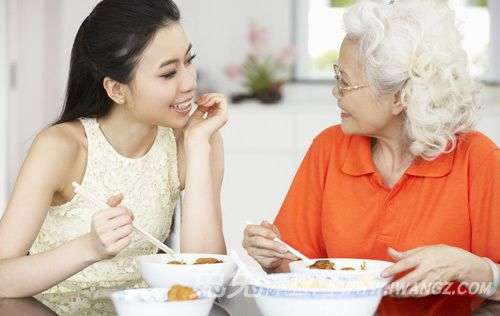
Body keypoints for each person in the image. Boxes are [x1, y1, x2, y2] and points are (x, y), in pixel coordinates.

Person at [243, 0, 499, 314]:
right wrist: (271, 259)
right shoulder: (329, 148)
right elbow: (296, 268)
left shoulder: (477, 159)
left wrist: (475, 269)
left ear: (400, 97)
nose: (335, 92)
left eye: (345, 81)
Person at [0, 0, 227, 314]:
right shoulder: (61, 147)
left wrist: (199, 144)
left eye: (189, 61)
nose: (189, 82)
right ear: (117, 89)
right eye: (168, 73)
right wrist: (89, 247)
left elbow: (208, 284)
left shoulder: (194, 138)